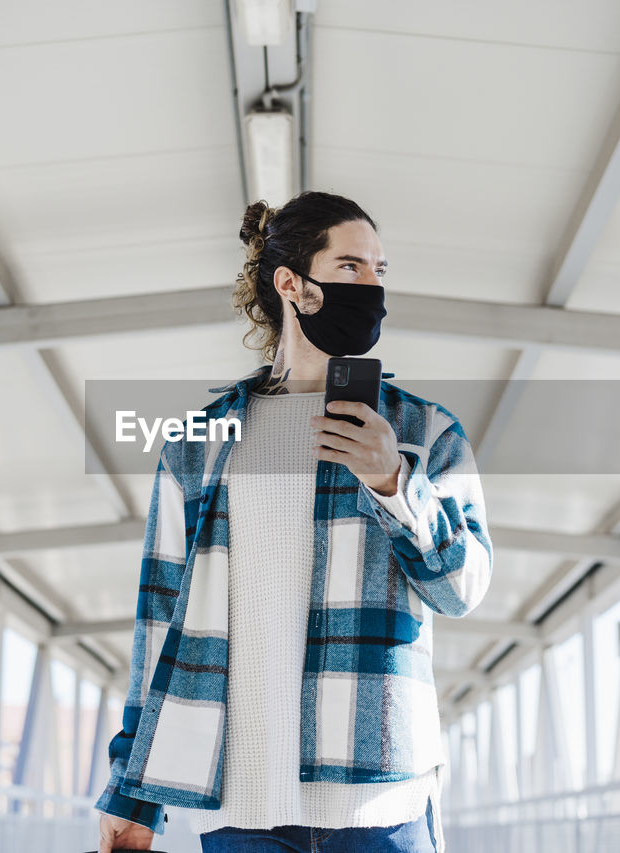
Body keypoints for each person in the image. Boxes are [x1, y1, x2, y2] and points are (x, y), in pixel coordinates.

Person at [94, 191, 493, 853]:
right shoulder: (197, 445)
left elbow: (464, 587)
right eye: (351, 267)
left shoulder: (424, 431)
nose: (372, 287)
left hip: (381, 803)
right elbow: (158, 625)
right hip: (240, 806)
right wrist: (130, 789)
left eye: (380, 270)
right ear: (292, 284)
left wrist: (396, 483)